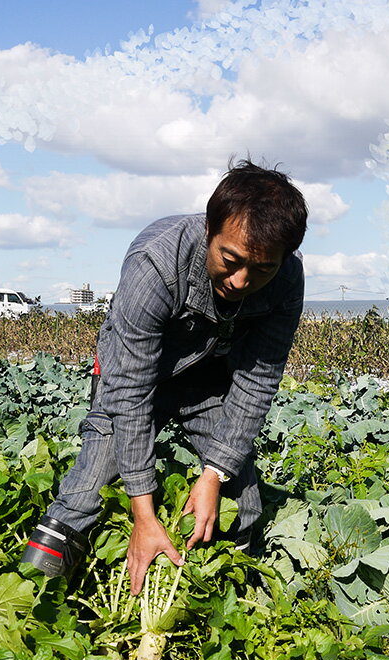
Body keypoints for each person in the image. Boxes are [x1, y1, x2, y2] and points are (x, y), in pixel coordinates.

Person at [21, 159, 307, 594]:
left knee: (243, 502)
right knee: (85, 492)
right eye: (230, 260)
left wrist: (214, 474)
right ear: (209, 229)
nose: (243, 279)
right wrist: (143, 512)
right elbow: (130, 392)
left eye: (262, 268)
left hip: (211, 382)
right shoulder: (155, 262)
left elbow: (257, 380)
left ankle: (223, 606)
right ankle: (34, 601)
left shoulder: (287, 278)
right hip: (136, 377)